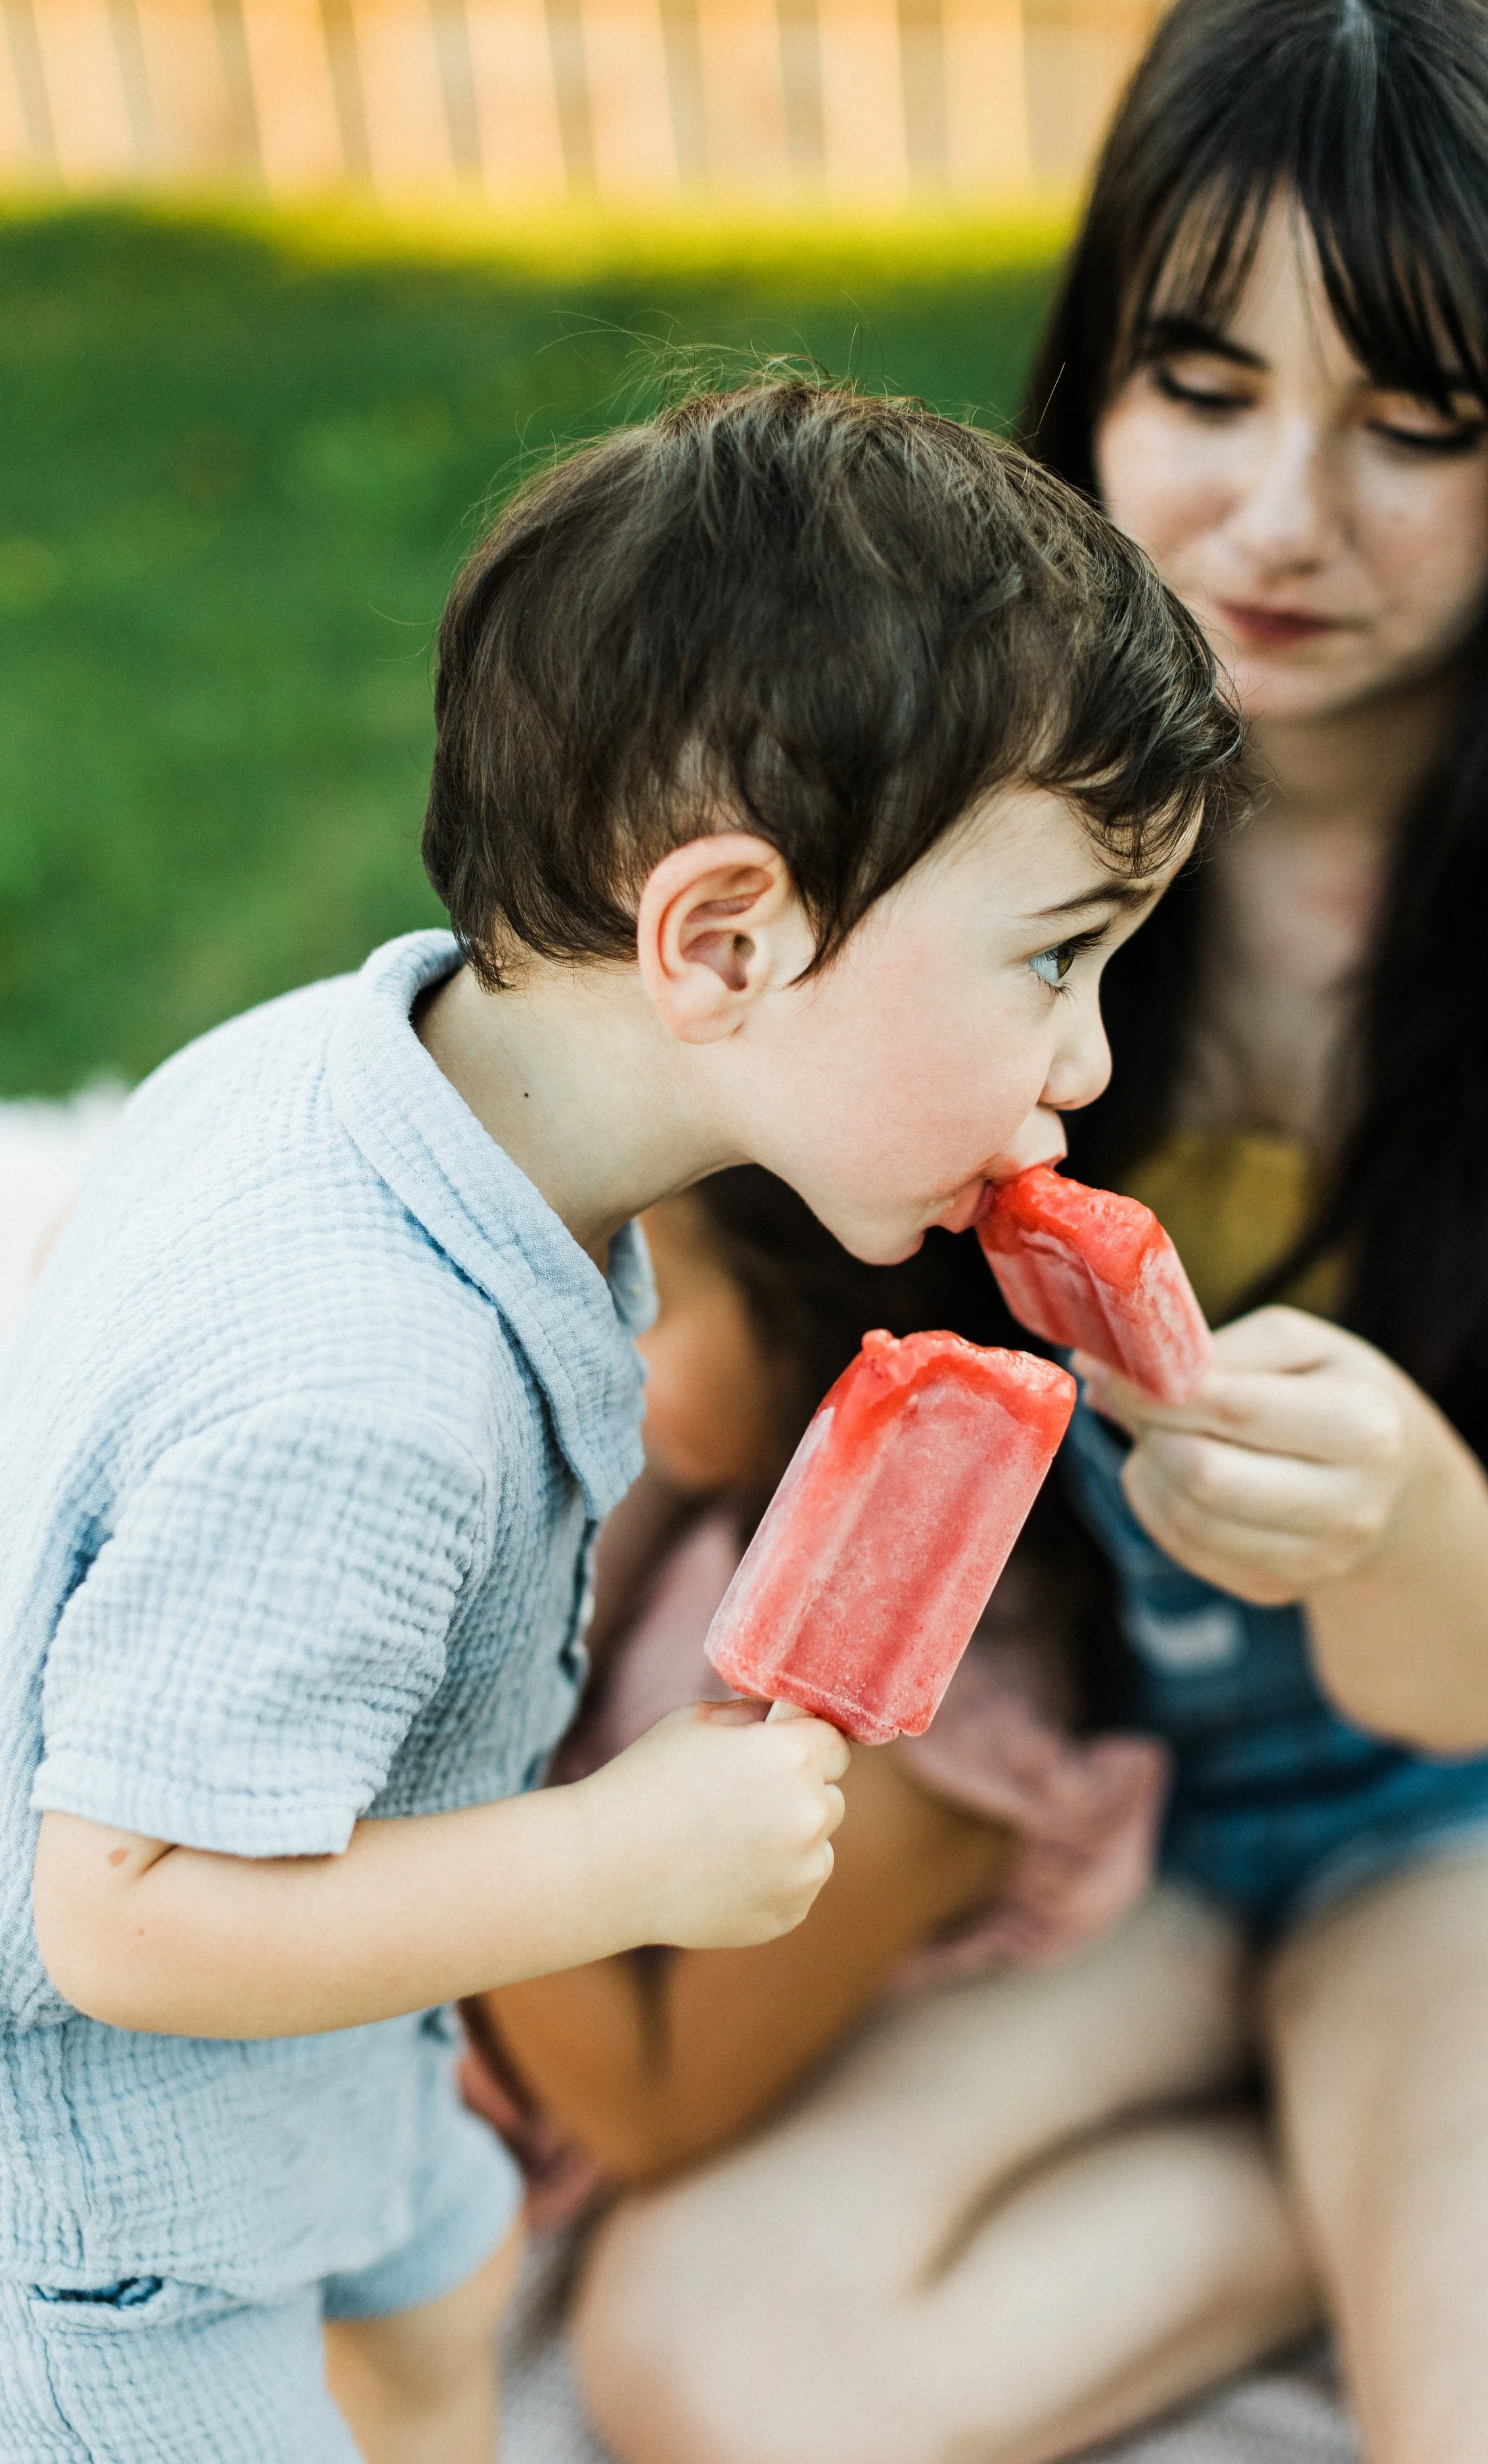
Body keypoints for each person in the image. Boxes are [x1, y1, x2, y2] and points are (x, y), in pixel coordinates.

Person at [571, 8, 1488, 2463]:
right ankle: (1324, 2176)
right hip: (1101, 1802)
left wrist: (1405, 1517)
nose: (1283, 515)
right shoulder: (917, 821)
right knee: (704, 2363)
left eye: (1420, 423)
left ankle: (1448, 2127)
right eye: (1201, 380)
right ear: (1093, 382)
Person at [0, 376, 1238, 2464]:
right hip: (127, 2203)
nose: (1088, 1061)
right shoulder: (363, 1382)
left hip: (351, 2080)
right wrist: (612, 1853)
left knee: (449, 2276)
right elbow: (117, 1913)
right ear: (724, 936)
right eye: (1053, 959)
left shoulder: (376, 1074)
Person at [460, 1168, 1167, 2227]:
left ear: (829, 1329)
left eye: (650, 1300)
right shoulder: (723, 1466)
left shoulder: (933, 1738)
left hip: (566, 2087)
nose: (593, 1337)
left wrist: (437, 1773)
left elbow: (646, 2112)